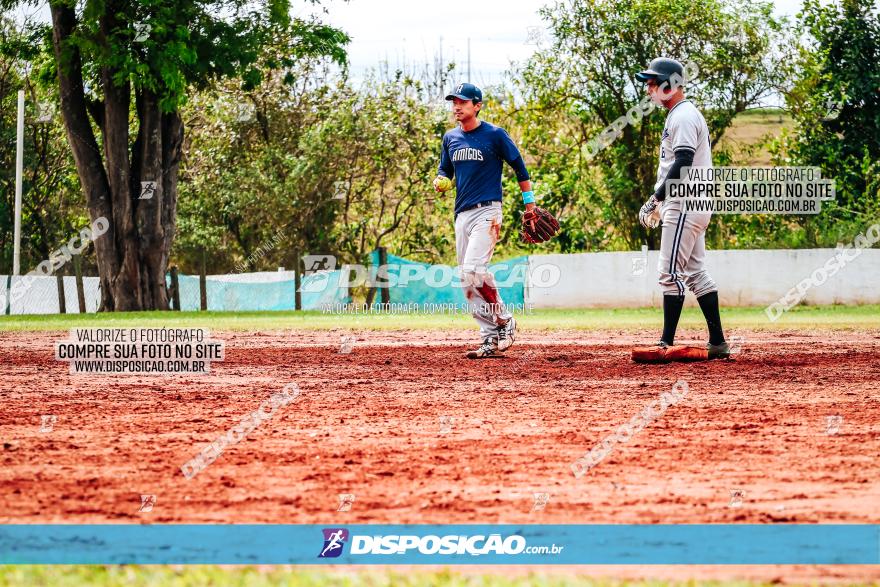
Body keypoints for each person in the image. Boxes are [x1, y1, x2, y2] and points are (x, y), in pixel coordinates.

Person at [635, 58, 729, 359]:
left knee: (668, 272)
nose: (649, 89)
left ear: (669, 84)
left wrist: (656, 198)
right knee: (695, 272)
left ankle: (665, 343)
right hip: (693, 201)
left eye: (653, 82)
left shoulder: (683, 116)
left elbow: (684, 162)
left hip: (685, 201)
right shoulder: (680, 114)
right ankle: (718, 343)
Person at [435, 82, 534, 359]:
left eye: (463, 102)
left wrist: (530, 205)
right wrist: (441, 178)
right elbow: (445, 168)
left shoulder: (494, 135)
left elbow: (520, 167)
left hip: (488, 211)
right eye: (454, 102)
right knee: (467, 279)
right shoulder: (450, 138)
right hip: (462, 213)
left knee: (474, 268)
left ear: (477, 105)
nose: (457, 106)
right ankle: (490, 338)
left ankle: (504, 319)